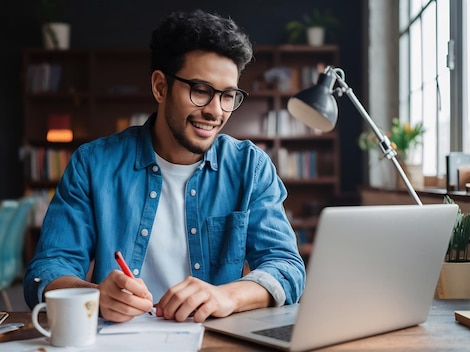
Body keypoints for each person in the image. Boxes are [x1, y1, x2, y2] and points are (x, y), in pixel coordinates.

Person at [24, 9, 305, 323]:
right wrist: (93, 295)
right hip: (119, 341)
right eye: (201, 91)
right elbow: (47, 269)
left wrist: (226, 295)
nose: (216, 111)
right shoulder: (92, 164)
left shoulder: (250, 167)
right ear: (160, 87)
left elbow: (286, 267)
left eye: (228, 95)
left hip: (214, 340)